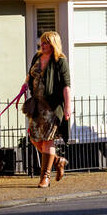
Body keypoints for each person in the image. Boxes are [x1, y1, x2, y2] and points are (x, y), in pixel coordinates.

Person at [24, 31, 72, 188]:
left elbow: (66, 85)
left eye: (46, 43)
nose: (42, 45)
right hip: (37, 105)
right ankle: (58, 160)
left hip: (52, 106)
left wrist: (68, 107)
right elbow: (30, 75)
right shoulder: (37, 57)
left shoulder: (60, 61)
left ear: (53, 45)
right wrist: (25, 84)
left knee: (47, 140)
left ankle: (45, 177)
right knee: (34, 138)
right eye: (42, 42)